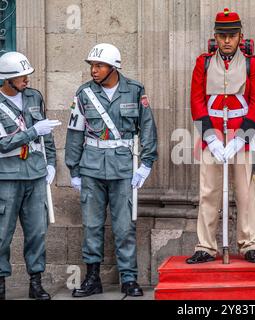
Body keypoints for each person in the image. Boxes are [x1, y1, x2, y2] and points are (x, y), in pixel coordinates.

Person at [65, 43, 158, 297]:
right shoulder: (84, 93)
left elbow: (147, 128)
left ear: (113, 67)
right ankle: (92, 278)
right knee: (92, 225)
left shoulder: (134, 90)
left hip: (123, 168)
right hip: (91, 168)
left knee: (124, 226)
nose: (94, 71)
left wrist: (146, 164)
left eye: (99, 65)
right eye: (92, 66)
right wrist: (73, 170)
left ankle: (129, 278)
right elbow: (75, 133)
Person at [187, 8, 255, 264]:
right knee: (208, 191)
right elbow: (197, 101)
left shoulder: (253, 63)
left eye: (232, 35)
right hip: (211, 134)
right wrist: (210, 137)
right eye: (222, 35)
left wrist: (240, 139)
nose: (227, 40)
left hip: (242, 134)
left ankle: (249, 243)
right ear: (216, 37)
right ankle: (206, 246)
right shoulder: (204, 62)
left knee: (245, 191)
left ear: (241, 36)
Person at [0, 52, 60, 300]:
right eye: (21, 76)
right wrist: (33, 131)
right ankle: (1, 283)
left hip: (35, 174)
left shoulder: (34, 96)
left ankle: (36, 282)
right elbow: (3, 144)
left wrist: (52, 164)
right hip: (7, 177)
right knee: (2, 233)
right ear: (7, 80)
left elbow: (46, 136)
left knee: (37, 232)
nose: (26, 80)